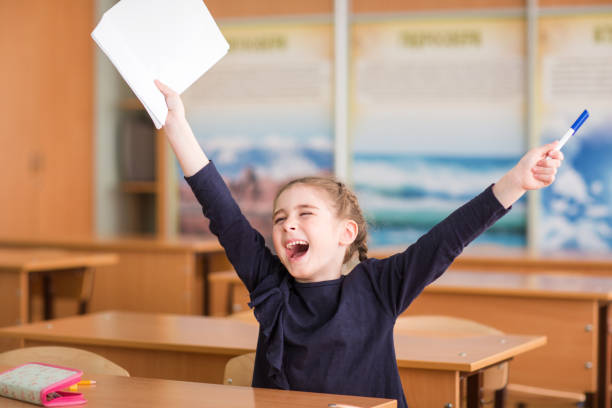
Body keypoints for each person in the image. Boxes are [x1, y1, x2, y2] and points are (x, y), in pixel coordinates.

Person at [155, 79, 563, 408]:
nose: (287, 225)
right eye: (279, 219)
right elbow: (222, 212)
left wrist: (516, 182)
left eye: (305, 215)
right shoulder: (270, 286)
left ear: (345, 234)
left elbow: (447, 239)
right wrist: (176, 126)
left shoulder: (379, 288)